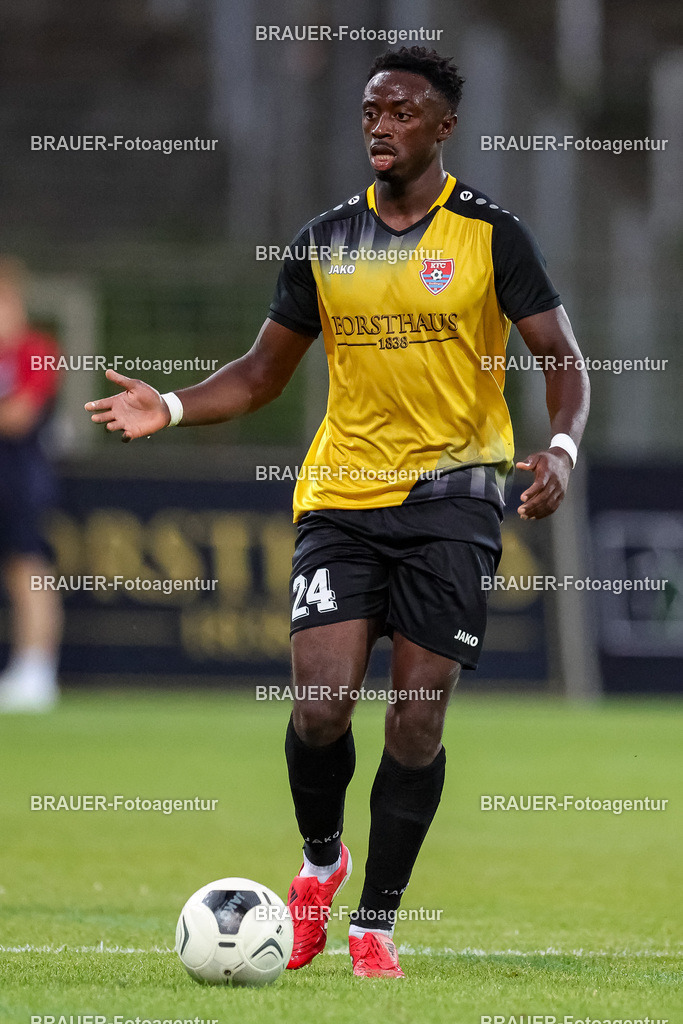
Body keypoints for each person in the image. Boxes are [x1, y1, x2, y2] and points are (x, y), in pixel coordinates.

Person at [86, 47, 590, 977]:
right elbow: (262, 372)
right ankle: (322, 863)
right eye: (369, 111)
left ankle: (376, 926)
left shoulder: (490, 235)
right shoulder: (325, 240)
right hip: (340, 498)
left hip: (454, 499)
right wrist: (176, 405)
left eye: (400, 112)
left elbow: (562, 358)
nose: (379, 126)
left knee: (417, 717)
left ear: (442, 127)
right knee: (320, 707)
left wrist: (558, 446)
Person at [0, 256, 63, 712]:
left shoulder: (36, 350)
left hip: (19, 478)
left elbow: (20, 416)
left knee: (27, 567)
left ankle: (36, 670)